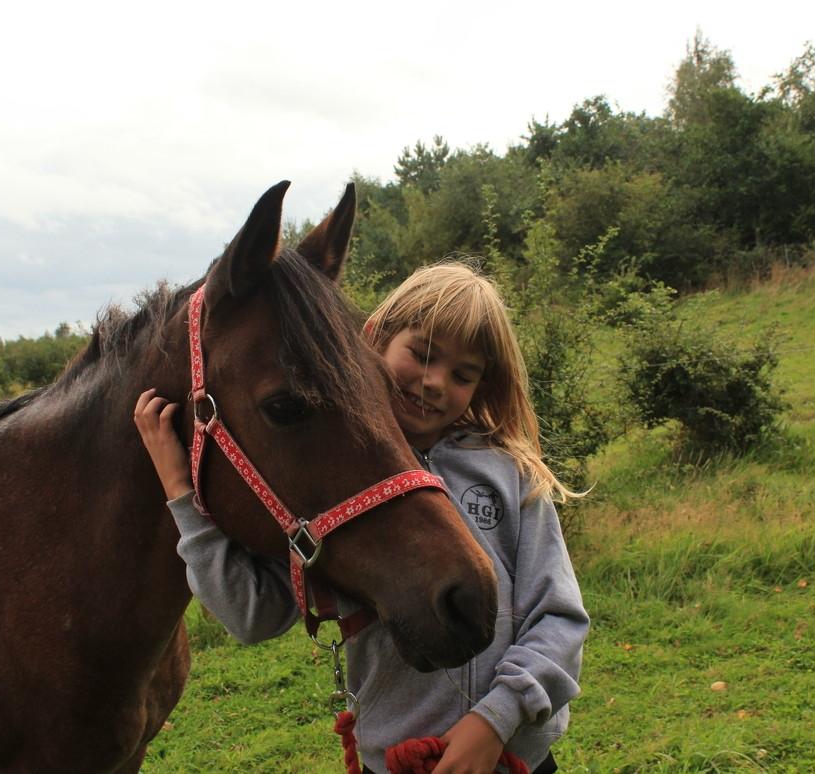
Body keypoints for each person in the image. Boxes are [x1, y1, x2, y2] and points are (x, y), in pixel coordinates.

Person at [134, 262, 589, 774]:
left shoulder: (509, 473)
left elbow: (560, 617)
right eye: (422, 354)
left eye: (463, 374)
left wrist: (496, 720)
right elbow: (252, 615)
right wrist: (181, 495)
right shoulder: (335, 473)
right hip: (395, 762)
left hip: (512, 757)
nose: (435, 382)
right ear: (376, 339)